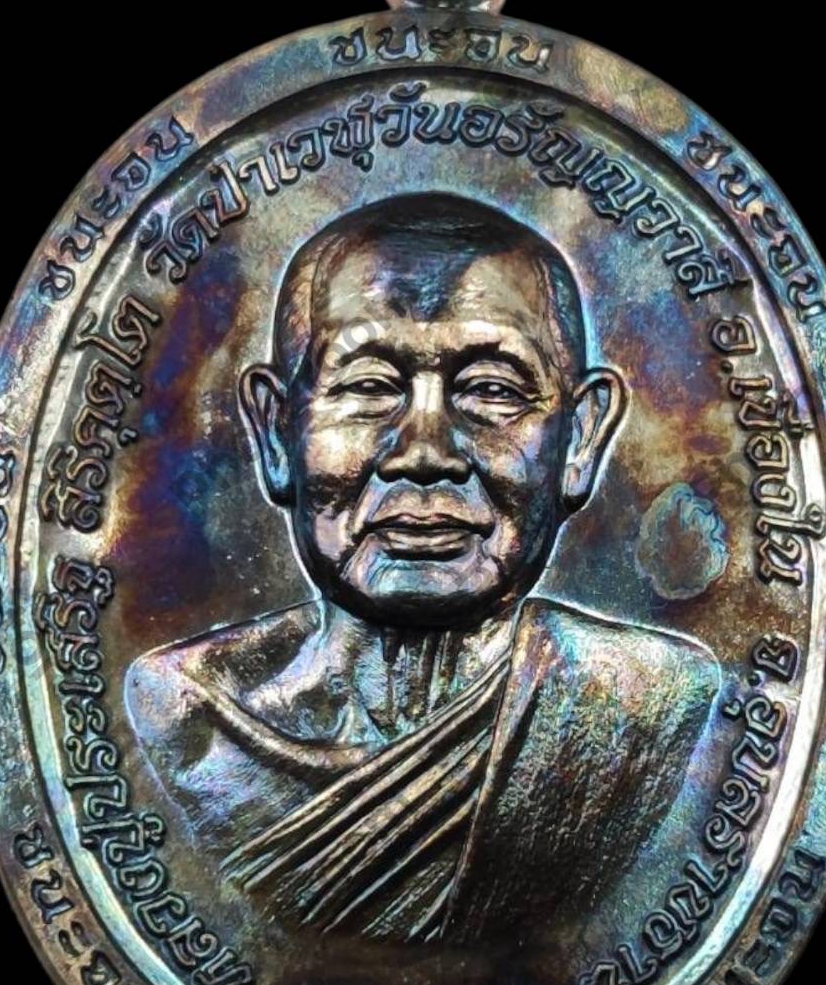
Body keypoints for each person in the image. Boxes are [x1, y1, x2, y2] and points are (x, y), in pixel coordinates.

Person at [124, 192, 720, 945]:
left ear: (580, 439)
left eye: (492, 390)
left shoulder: (641, 704)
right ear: (277, 434)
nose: (426, 452)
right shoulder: (187, 717)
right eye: (368, 387)